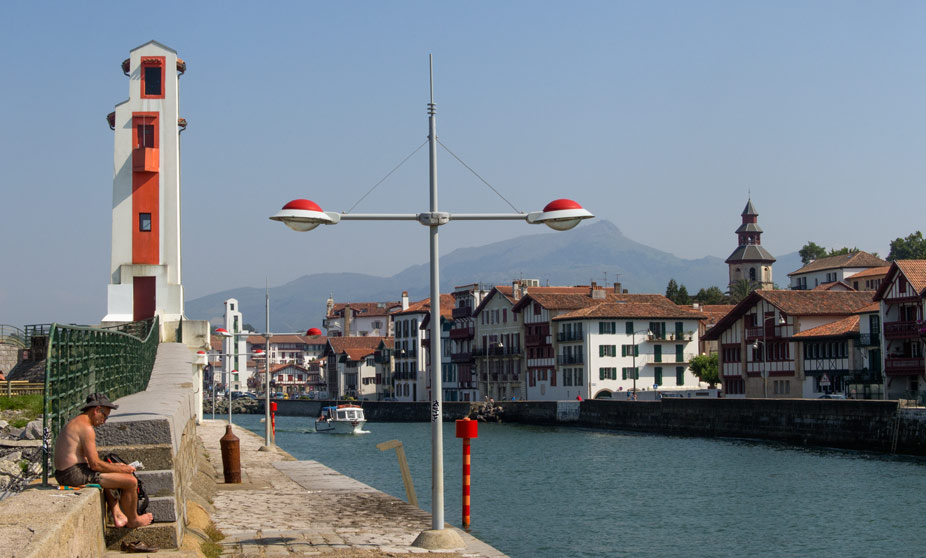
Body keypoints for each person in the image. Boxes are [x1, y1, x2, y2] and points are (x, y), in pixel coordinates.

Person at [54, 393, 153, 528]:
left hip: (64, 473)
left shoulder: (76, 422)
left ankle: (117, 513)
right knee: (131, 482)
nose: (104, 421)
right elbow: (95, 465)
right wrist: (122, 469)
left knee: (111, 474)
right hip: (73, 475)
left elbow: (89, 462)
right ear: (96, 410)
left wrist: (115, 467)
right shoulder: (87, 428)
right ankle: (133, 519)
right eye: (104, 415)